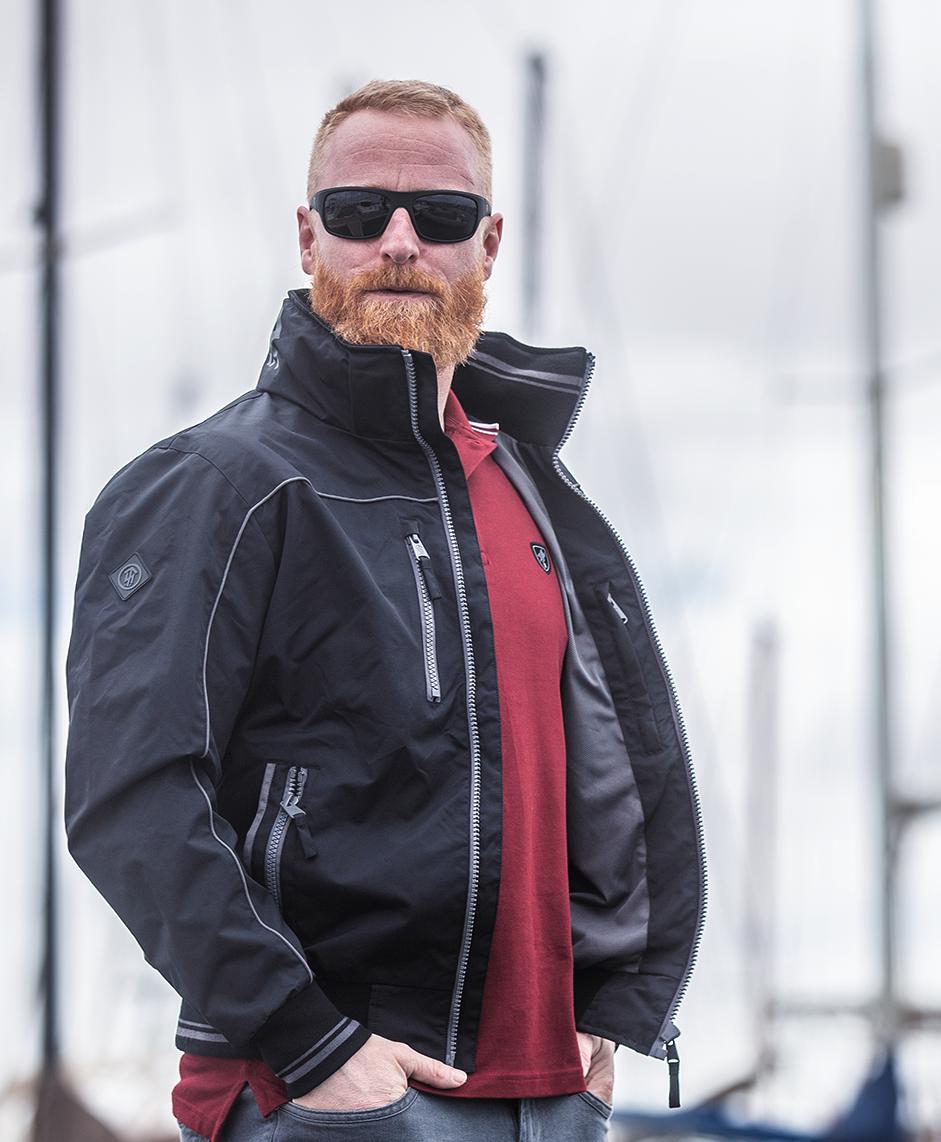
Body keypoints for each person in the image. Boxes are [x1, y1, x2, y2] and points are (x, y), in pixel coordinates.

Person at [64, 79, 705, 1142]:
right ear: (307, 235)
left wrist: (604, 1014)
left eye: (440, 216)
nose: (398, 242)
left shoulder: (531, 488)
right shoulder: (212, 483)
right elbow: (130, 798)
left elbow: (594, 777)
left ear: (486, 243)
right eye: (359, 212)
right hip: (332, 1098)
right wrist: (313, 1044)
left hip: (554, 1096)